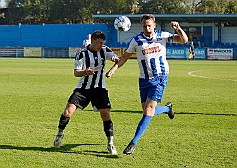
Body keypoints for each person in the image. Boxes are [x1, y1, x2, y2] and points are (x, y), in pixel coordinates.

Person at [106, 14, 188, 155]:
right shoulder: (136, 41)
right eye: (145, 25)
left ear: (154, 25)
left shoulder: (162, 36)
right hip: (144, 80)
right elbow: (124, 57)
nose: (147, 28)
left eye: (150, 25)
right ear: (141, 26)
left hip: (159, 78)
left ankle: (133, 142)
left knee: (148, 110)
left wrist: (178, 29)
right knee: (146, 109)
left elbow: (184, 40)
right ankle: (167, 109)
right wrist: (113, 69)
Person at [54, 30, 120, 155]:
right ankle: (59, 134)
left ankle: (110, 143)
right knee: (68, 111)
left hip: (99, 88)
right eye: (99, 43)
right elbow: (76, 72)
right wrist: (86, 72)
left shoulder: (104, 49)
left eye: (102, 43)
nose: (101, 45)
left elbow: (114, 57)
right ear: (93, 40)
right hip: (83, 89)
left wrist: (114, 58)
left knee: (105, 114)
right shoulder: (82, 54)